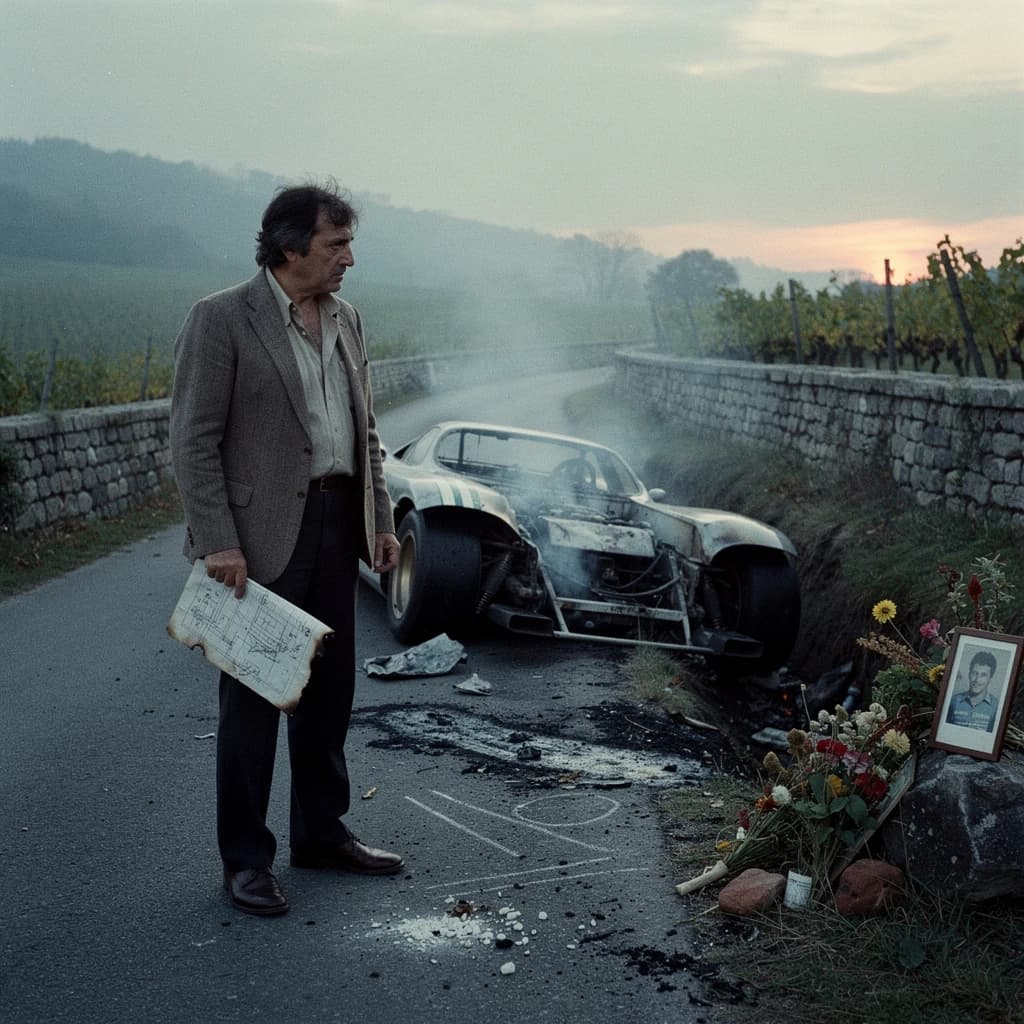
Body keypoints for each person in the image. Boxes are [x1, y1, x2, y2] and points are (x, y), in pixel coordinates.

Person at [170, 182, 403, 916]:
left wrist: (382, 521)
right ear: (290, 245)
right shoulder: (221, 318)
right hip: (260, 540)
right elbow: (194, 441)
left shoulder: (348, 320)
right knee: (254, 697)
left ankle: (321, 834)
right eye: (336, 245)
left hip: (338, 526)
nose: (349, 260)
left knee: (330, 694)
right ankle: (245, 859)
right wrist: (217, 542)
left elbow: (365, 433)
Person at [945, 649, 1000, 733]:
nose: (977, 680)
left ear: (990, 679)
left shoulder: (997, 707)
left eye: (983, 675)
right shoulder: (953, 701)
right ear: (969, 674)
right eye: (974, 673)